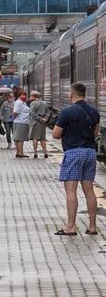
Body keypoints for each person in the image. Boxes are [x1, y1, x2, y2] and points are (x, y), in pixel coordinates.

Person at [52, 81, 100, 236]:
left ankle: (71, 227)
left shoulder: (67, 112)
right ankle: (92, 227)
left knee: (71, 191)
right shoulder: (94, 111)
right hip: (90, 152)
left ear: (71, 94)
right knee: (89, 190)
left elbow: (56, 134)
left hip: (73, 152)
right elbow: (95, 133)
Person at [29, 89, 53, 159]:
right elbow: (48, 112)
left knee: (35, 138)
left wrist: (39, 119)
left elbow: (32, 113)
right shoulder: (45, 103)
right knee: (43, 138)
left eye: (31, 96)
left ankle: (35, 153)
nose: (30, 97)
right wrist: (45, 118)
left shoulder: (33, 103)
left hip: (35, 123)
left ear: (34, 96)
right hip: (43, 123)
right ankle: (45, 153)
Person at [11, 89, 33, 158]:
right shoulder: (19, 102)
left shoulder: (23, 102)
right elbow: (15, 112)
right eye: (22, 95)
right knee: (20, 138)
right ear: (19, 96)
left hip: (22, 122)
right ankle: (20, 153)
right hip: (21, 122)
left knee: (19, 138)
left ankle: (19, 152)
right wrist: (14, 117)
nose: (24, 96)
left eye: (25, 95)